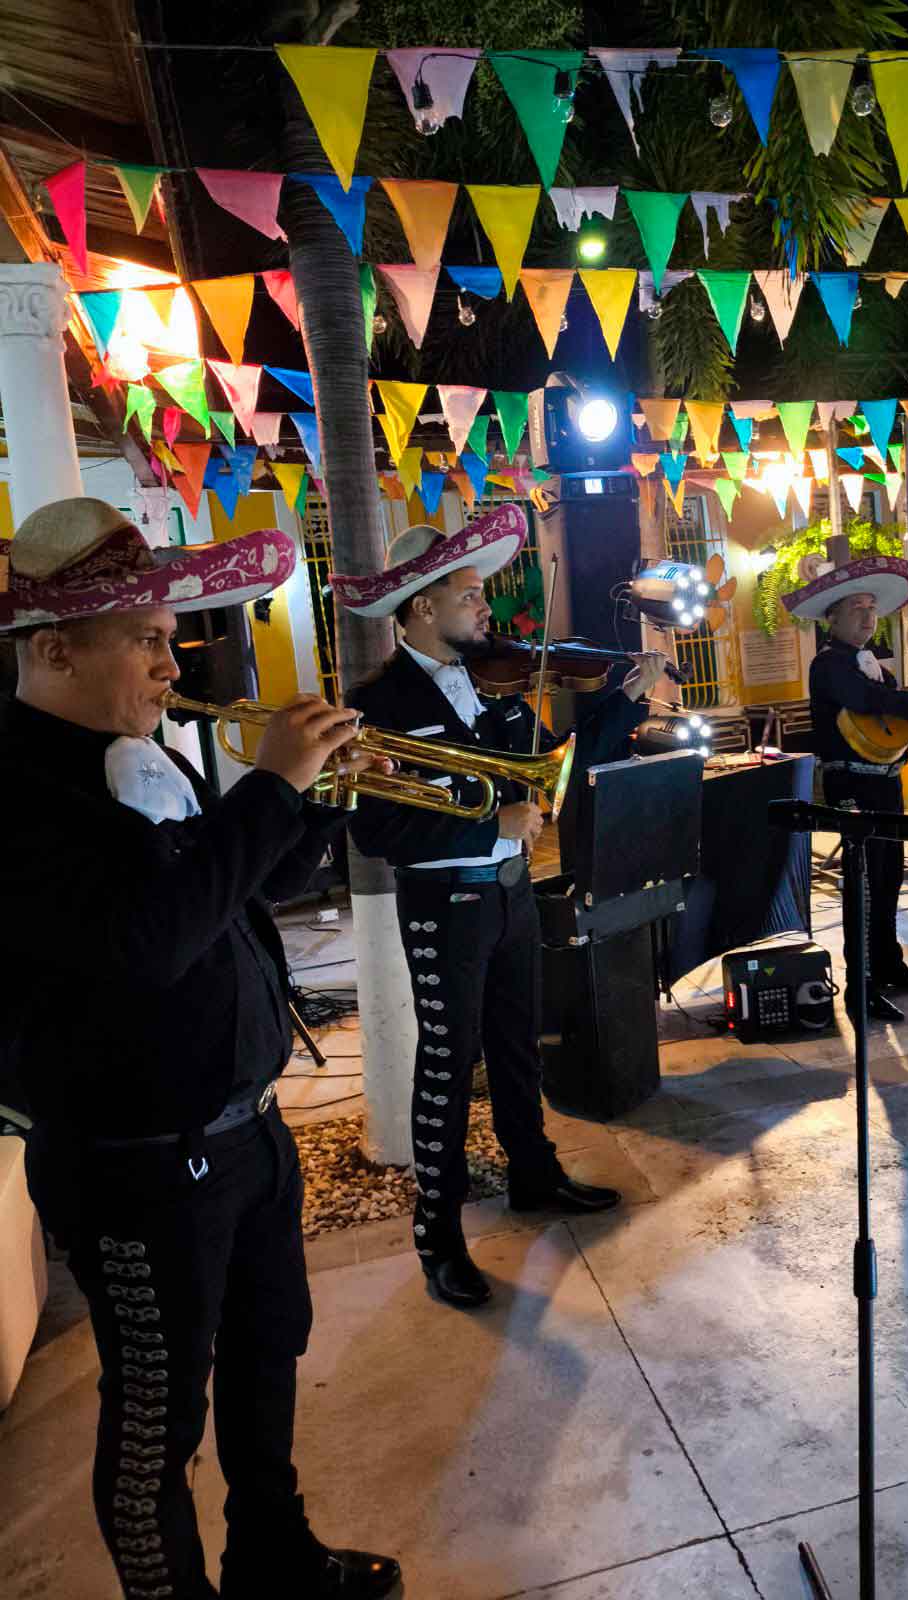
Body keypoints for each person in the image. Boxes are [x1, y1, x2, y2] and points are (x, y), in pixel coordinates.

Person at [0, 499, 401, 1599]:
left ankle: (272, 1558)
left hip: (247, 1136)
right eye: (144, 638)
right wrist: (268, 786)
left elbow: (232, 895)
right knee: (155, 1422)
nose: (170, 664)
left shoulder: (142, 756)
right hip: (135, 1164)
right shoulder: (19, 792)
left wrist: (314, 807)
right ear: (52, 650)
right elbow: (144, 945)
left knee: (267, 1355)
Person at [331, 504, 664, 1309]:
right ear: (420, 609)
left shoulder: (497, 688)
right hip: (442, 899)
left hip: (509, 893)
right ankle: (436, 1237)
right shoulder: (375, 700)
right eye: (470, 596)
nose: (486, 609)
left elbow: (550, 767)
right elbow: (376, 828)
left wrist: (624, 701)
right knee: (447, 1066)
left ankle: (532, 1173)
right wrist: (489, 819)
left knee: (519, 1046)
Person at [786, 551, 908, 1025]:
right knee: (864, 882)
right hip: (851, 784)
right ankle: (861, 985)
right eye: (857, 609)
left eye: (872, 608)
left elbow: (895, 723)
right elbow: (868, 702)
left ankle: (889, 965)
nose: (868, 618)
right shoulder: (829, 664)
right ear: (833, 618)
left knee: (890, 874)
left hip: (886, 784)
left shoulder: (879, 667)